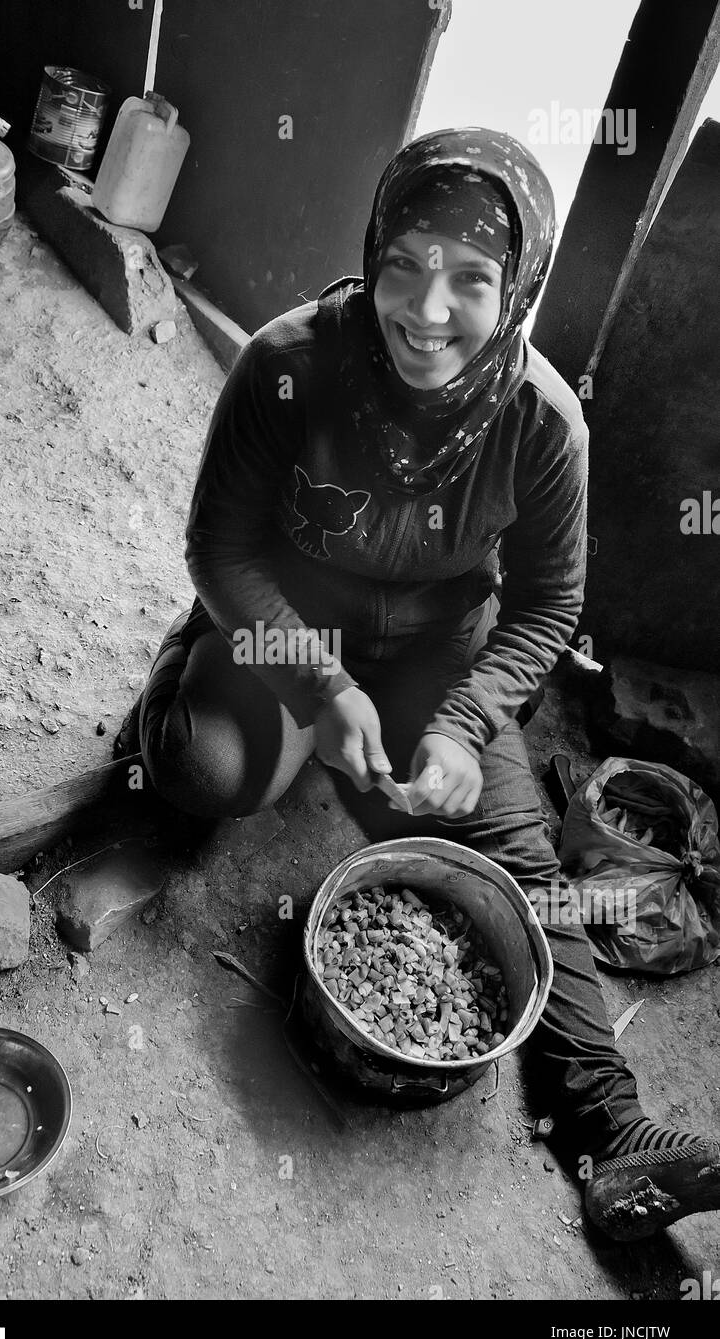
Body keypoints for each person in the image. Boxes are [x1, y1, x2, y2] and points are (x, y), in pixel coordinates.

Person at [118, 129, 720, 1242]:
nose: (424, 307)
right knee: (202, 767)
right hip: (283, 622)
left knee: (517, 856)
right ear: (373, 245)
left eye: (470, 279)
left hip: (437, 648)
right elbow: (220, 551)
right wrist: (313, 683)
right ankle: (174, 675)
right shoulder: (285, 363)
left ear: (518, 286)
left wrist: (457, 722)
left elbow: (546, 605)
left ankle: (609, 1128)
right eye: (404, 261)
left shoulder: (541, 422)